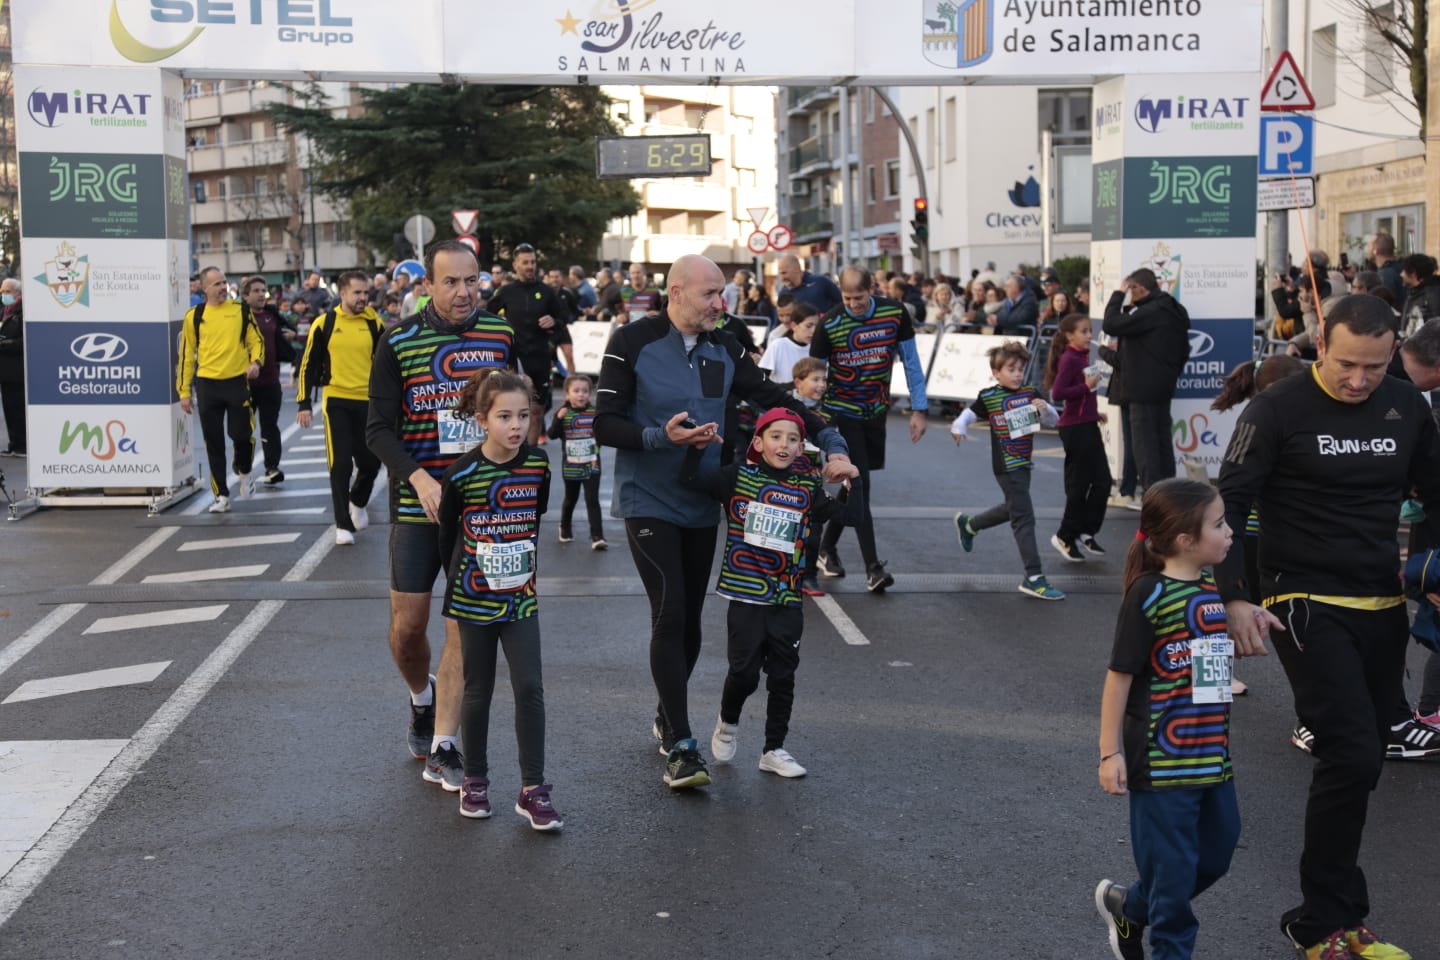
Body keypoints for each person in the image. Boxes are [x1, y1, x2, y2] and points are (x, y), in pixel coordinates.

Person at [1217, 294, 1440, 960]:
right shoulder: (1278, 408)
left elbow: (1436, 493)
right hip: (1303, 599)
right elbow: (1229, 501)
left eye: (1374, 366)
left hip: (1381, 605)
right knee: (1352, 753)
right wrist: (1232, 598)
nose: (1359, 380)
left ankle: (1332, 911)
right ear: (1322, 344)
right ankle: (1322, 923)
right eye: (1347, 364)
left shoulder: (1407, 405)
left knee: (1366, 760)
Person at [593, 253, 856, 791]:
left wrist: (831, 441)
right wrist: (660, 437)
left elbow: (773, 399)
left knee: (689, 621)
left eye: (723, 294)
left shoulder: (725, 346)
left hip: (701, 500)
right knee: (668, 615)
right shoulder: (631, 341)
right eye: (711, 294)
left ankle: (669, 713)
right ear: (676, 292)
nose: (722, 303)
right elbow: (604, 424)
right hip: (648, 499)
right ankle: (684, 746)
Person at [366, 240, 516, 792]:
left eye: (471, 281)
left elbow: (511, 413)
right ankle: (421, 698)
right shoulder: (398, 340)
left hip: (478, 509)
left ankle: (445, 746)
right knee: (409, 631)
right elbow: (377, 430)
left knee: (462, 628)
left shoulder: (500, 335)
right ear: (426, 286)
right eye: (450, 282)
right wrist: (422, 478)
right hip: (416, 503)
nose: (463, 292)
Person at [1095, 478, 1242, 960]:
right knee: (1176, 891)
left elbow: (1207, 666)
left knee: (1216, 857)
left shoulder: (1207, 582)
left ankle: (1130, 906)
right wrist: (1109, 752)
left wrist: (1250, 620)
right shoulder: (1147, 594)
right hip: (1163, 764)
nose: (1229, 532)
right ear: (1185, 540)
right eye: (1218, 525)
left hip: (1213, 757)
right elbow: (1119, 677)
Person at [679, 407, 862, 780]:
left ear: (801, 448)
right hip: (746, 595)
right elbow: (689, 480)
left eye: (793, 439)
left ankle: (773, 749)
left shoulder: (806, 484)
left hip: (786, 598)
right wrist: (695, 448)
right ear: (759, 442)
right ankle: (727, 723)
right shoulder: (738, 476)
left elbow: (847, 517)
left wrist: (851, 482)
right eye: (776, 436)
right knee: (744, 675)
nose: (785, 444)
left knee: (783, 675)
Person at [436, 369, 560, 830]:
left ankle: (533, 789)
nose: (515, 426)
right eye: (504, 416)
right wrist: (464, 584)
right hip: (473, 599)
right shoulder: (462, 473)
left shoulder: (538, 465)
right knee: (478, 689)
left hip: (521, 599)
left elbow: (535, 513)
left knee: (530, 686)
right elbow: (447, 537)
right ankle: (475, 780)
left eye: (523, 416)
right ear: (482, 419)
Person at [809, 266, 929, 592]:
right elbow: (814, 375)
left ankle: (826, 547)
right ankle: (873, 568)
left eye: (859, 298)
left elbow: (912, 361)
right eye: (847, 298)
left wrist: (919, 408)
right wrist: (815, 420)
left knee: (854, 486)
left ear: (871, 289)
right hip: (841, 411)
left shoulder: (894, 312)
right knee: (861, 483)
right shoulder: (830, 323)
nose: (853, 304)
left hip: (875, 410)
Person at [951, 341, 1065, 600]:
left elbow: (1053, 421)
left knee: (1014, 507)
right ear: (996, 372)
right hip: (1005, 466)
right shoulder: (989, 397)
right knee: (1024, 516)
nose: (1017, 374)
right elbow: (968, 415)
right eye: (1011, 369)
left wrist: (1045, 410)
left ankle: (970, 524)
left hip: (1024, 464)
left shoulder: (1030, 393)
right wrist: (959, 428)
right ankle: (1034, 576)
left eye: (1020, 369)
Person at [298, 271, 383, 545]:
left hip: (369, 401)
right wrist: (303, 403)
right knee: (341, 463)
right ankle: (342, 525)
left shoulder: (373, 322)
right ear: (342, 293)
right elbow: (308, 365)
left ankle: (357, 500)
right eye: (357, 293)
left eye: (366, 293)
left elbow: (386, 364)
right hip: (336, 400)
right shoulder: (325, 323)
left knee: (371, 462)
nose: (363, 298)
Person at [177, 266, 264, 513]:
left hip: (237, 381)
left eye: (225, 282)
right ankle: (221, 496)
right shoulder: (195, 316)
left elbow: (256, 340)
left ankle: (245, 471)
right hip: (207, 385)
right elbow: (186, 356)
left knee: (241, 436)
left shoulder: (240, 309)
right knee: (213, 442)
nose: (223, 287)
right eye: (217, 284)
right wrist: (184, 391)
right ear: (204, 289)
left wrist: (256, 362)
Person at [1102, 268, 1189, 496]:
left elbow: (1110, 324)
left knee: (1145, 446)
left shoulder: (1150, 312)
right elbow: (1184, 350)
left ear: (1139, 288)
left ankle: (1154, 496)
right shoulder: (1175, 309)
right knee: (1162, 442)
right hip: (1164, 385)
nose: (1130, 297)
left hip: (1141, 388)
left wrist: (1118, 295)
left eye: (1131, 291)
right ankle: (1169, 493)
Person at [485, 244, 575, 445]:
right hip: (515, 358)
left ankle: (531, 455)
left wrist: (554, 321)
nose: (530, 266)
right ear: (515, 264)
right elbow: (487, 314)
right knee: (509, 408)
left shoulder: (546, 291)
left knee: (536, 412)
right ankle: (511, 449)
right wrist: (500, 327)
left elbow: (564, 316)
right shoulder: (507, 291)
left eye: (533, 262)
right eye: (525, 262)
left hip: (540, 357)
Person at [1044, 313, 1110, 561]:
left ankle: (1086, 530)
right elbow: (1059, 393)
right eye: (1083, 331)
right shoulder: (1070, 358)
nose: (1089, 336)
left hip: (1086, 424)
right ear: (1070, 335)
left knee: (1102, 482)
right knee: (1079, 485)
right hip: (1075, 429)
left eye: (1090, 331)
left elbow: (1084, 397)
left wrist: (1095, 413)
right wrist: (1085, 387)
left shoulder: (1082, 356)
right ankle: (1064, 535)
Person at [240, 276, 292, 485]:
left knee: (270, 426)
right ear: (245, 296)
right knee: (243, 428)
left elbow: (288, 331)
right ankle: (242, 464)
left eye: (264, 290)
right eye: (256, 291)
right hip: (244, 384)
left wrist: (287, 335)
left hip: (271, 381)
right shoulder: (239, 317)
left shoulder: (272, 315)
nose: (261, 294)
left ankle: (272, 467)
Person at [547, 373, 606, 550]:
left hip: (592, 465)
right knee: (570, 499)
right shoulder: (563, 413)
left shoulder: (595, 413)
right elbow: (551, 434)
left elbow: (603, 434)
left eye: (585, 391)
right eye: (576, 391)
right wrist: (558, 419)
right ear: (567, 394)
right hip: (571, 467)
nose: (581, 395)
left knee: (592, 500)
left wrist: (598, 444)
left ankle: (597, 536)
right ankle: (565, 527)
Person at [790, 357, 832, 597]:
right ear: (798, 382)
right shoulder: (787, 409)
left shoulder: (826, 412)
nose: (821, 384)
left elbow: (831, 445)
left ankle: (808, 576)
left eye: (823, 379)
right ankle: (783, 573)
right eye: (815, 379)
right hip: (788, 482)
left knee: (814, 529)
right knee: (788, 530)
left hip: (813, 482)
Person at [757, 302, 818, 385]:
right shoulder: (778, 345)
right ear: (794, 326)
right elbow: (761, 377)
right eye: (808, 326)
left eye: (816, 326)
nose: (813, 331)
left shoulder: (817, 348)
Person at [0, 278, 26, 457]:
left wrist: (3, 343)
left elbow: (23, 342)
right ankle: (14, 443)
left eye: (7, 291)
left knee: (17, 408)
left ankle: (22, 445)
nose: (4, 295)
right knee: (9, 409)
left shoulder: (22, 312)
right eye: (2, 292)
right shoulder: (5, 312)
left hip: (16, 370)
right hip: (5, 371)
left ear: (17, 293)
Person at [776, 253, 842, 315]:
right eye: (780, 274)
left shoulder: (820, 282)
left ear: (796, 269)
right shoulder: (783, 293)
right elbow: (780, 320)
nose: (782, 278)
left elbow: (841, 302)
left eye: (784, 273)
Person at [1400, 253, 1440, 333]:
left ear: (1413, 273)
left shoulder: (1432, 295)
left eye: (1404, 271)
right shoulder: (1414, 292)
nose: (1401, 274)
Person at [1369, 233, 1404, 302]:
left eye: (1369, 246)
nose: (1367, 249)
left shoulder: (1385, 275)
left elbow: (1384, 303)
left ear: (1376, 251)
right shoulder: (1401, 268)